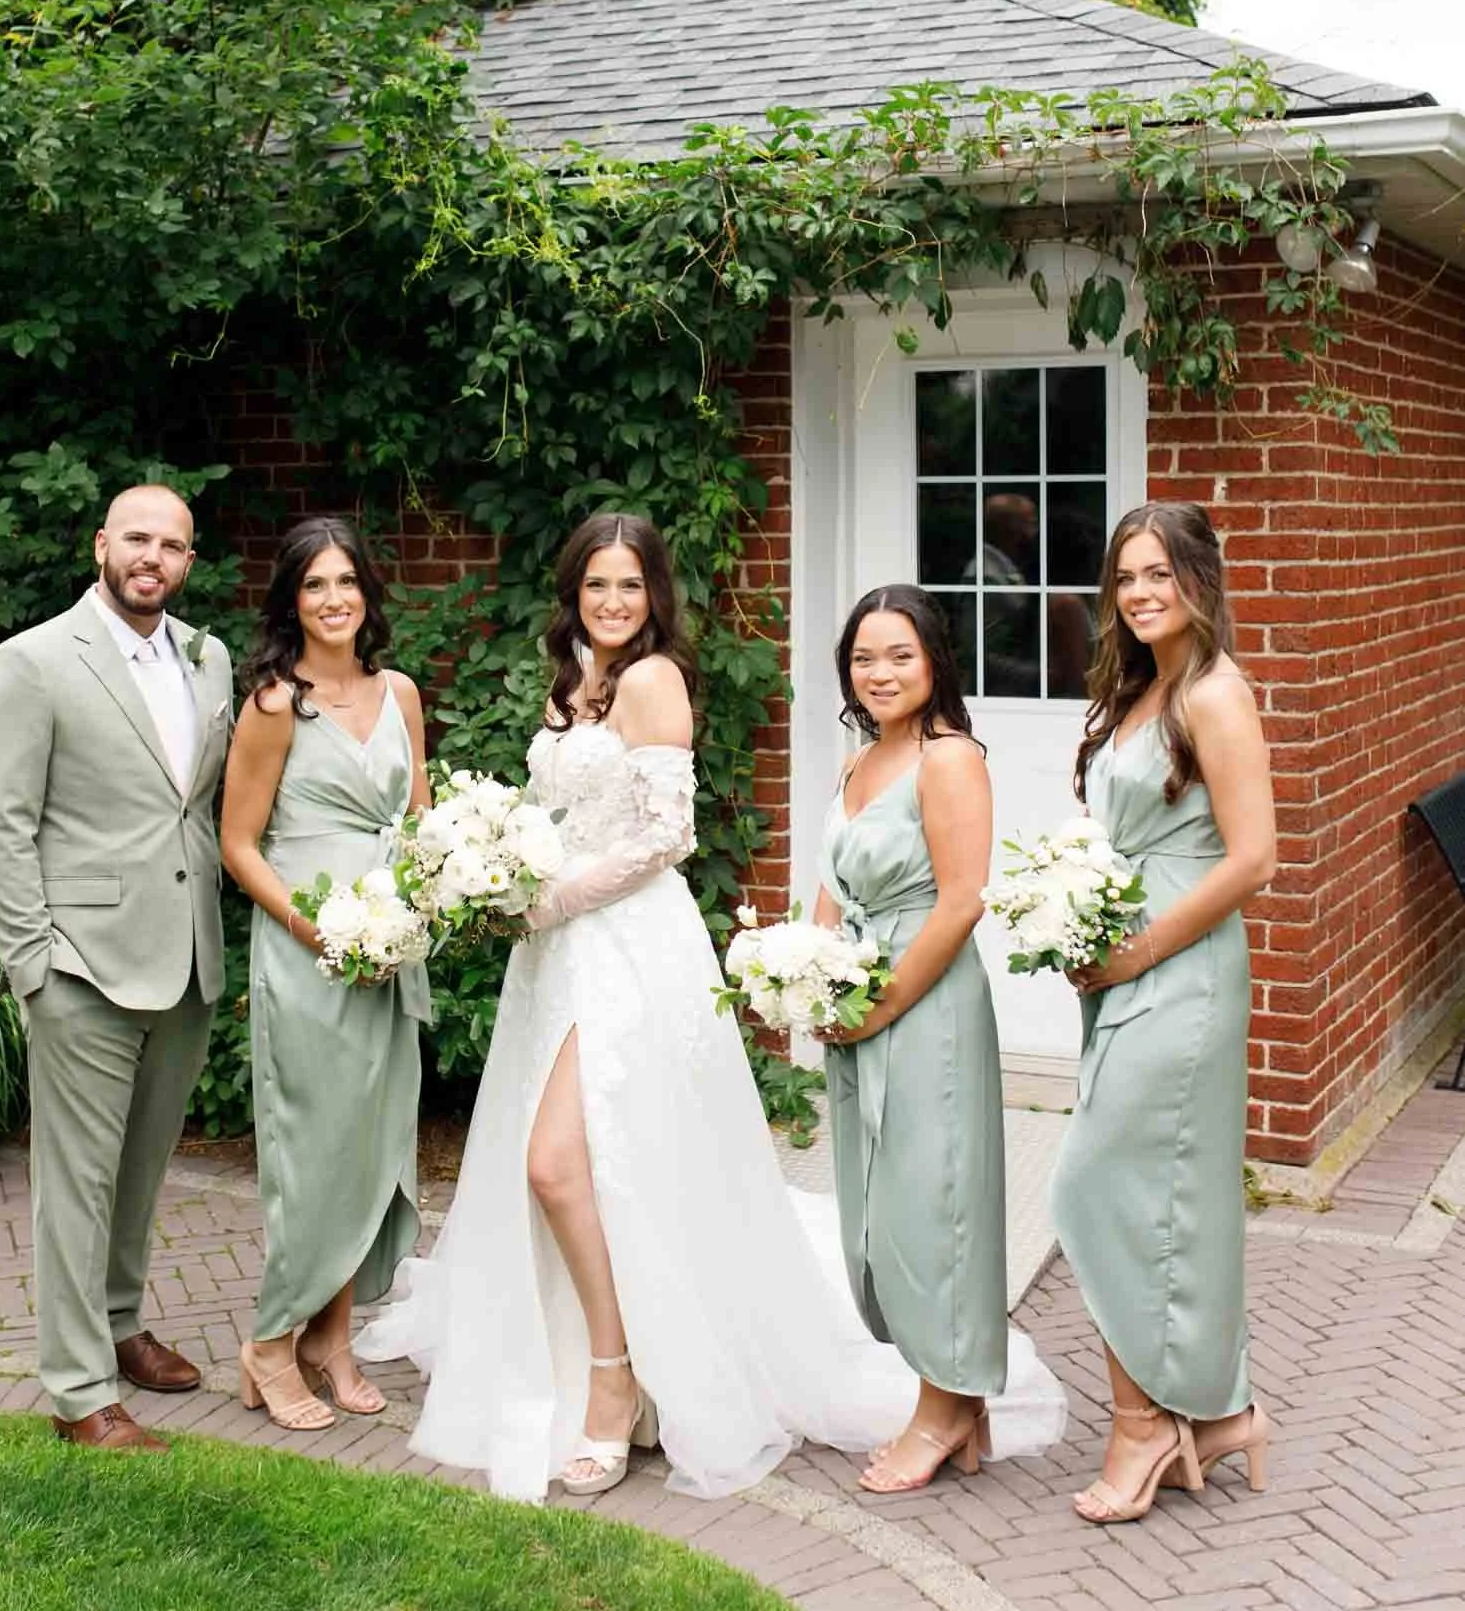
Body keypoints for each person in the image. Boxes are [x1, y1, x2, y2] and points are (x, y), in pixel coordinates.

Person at [357, 511, 1065, 1504]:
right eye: (596, 585)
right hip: (552, 956)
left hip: (626, 948)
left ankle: (615, 1380)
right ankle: (607, 1358)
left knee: (556, 1163)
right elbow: (556, 813)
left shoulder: (653, 680)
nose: (612, 603)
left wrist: (548, 893)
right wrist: (495, 864)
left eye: (629, 587)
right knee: (597, 1168)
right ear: (573, 593)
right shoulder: (571, 682)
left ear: (653, 599)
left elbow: (666, 834)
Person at [0, 484, 232, 1450]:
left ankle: (121, 1325)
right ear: (101, 545)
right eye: (136, 538)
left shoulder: (210, 661)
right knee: (75, 1182)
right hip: (78, 962)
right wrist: (30, 963)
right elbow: (2, 823)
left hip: (186, 956)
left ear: (188, 562)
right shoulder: (34, 661)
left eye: (171, 544)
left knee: (139, 1171)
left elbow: (193, 810)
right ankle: (80, 1390)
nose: (151, 557)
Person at [1051, 500, 1276, 1525]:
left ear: (1197, 579)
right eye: (1124, 577)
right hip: (1122, 969)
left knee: (1094, 1182)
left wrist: (1136, 946)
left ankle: (1140, 1426)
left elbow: (1251, 860)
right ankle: (1217, 1411)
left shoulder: (1215, 695)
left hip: (1179, 973)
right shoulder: (1138, 690)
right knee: (1161, 1194)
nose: (1139, 593)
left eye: (1157, 573)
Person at [220, 519, 430, 1430]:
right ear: (290, 602)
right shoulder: (275, 706)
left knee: (373, 1147)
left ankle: (331, 1342)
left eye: (347, 582)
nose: (334, 599)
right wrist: (312, 929)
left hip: (387, 952)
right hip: (308, 951)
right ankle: (270, 1344)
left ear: (368, 594)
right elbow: (237, 843)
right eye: (314, 585)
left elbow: (419, 824)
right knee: (313, 1154)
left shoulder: (401, 694)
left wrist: (427, 904)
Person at [814, 586, 1008, 1492]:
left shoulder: (948, 758)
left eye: (898, 654)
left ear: (933, 660)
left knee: (934, 1206)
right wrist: (801, 977)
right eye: (863, 657)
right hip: (853, 1005)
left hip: (922, 1006)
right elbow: (828, 888)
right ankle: (955, 1405)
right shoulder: (857, 764)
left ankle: (942, 1409)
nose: (879, 672)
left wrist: (880, 1004)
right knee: (876, 1208)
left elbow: (961, 899)